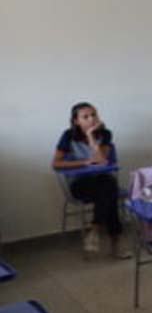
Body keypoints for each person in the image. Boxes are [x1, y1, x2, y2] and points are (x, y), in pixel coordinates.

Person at [52, 102, 129, 258]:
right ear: (76, 121)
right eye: (85, 117)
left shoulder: (105, 134)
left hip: (102, 182)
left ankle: (94, 230)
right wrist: (84, 162)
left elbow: (102, 161)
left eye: (94, 115)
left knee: (107, 188)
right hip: (80, 184)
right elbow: (56, 163)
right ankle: (115, 246)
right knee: (110, 189)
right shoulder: (68, 136)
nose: (91, 119)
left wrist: (90, 136)